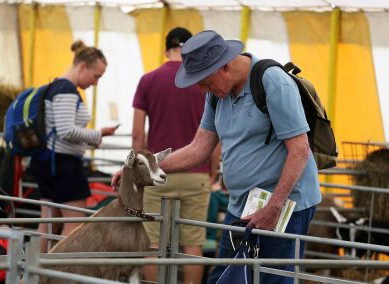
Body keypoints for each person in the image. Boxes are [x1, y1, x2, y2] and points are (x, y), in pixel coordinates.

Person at [113, 30, 321, 283]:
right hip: (242, 205)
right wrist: (142, 169)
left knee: (270, 279)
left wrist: (274, 205)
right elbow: (198, 149)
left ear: (224, 67)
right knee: (226, 277)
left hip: (284, 205)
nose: (202, 89)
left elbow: (299, 150)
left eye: (204, 81)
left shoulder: (272, 83)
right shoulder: (216, 94)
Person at [131, 27, 219, 284]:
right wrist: (211, 173)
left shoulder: (148, 80)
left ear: (166, 48)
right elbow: (215, 135)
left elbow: (138, 135)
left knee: (152, 244)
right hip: (196, 175)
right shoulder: (203, 82)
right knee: (193, 245)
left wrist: (139, 170)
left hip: (157, 174)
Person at [30, 40, 119, 253]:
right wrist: (96, 134)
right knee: (73, 225)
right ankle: (60, 274)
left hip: (48, 162)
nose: (96, 82)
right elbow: (66, 130)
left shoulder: (54, 86)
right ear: (82, 67)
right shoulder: (67, 90)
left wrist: (92, 137)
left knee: (47, 222)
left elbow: (61, 130)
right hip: (64, 166)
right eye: (96, 76)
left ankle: (37, 274)